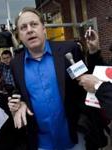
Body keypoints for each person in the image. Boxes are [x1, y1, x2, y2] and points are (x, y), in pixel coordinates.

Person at [9, 7, 107, 150]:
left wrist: (93, 53)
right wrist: (20, 103)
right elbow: (17, 89)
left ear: (43, 28)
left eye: (34, 24)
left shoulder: (68, 51)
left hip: (75, 138)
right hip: (41, 143)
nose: (29, 30)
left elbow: (87, 82)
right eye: (23, 27)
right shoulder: (15, 64)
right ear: (20, 36)